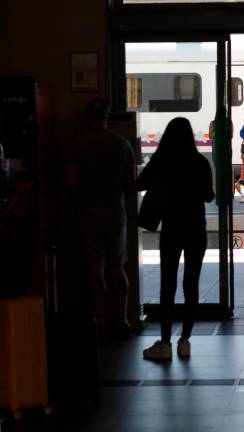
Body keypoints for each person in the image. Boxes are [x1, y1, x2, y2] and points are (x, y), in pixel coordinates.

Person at [137, 118, 214, 361]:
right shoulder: (200, 162)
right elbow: (209, 196)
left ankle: (165, 343)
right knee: (191, 285)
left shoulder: (162, 160)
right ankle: (185, 342)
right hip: (195, 229)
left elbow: (138, 184)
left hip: (172, 228)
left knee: (167, 286)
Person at [70, 99, 134, 339]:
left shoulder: (78, 144)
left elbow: (71, 181)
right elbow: (130, 184)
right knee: (117, 266)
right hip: (116, 210)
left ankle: (99, 321)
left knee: (95, 267)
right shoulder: (121, 143)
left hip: (88, 210)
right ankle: (124, 319)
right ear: (107, 118)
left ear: (87, 118)